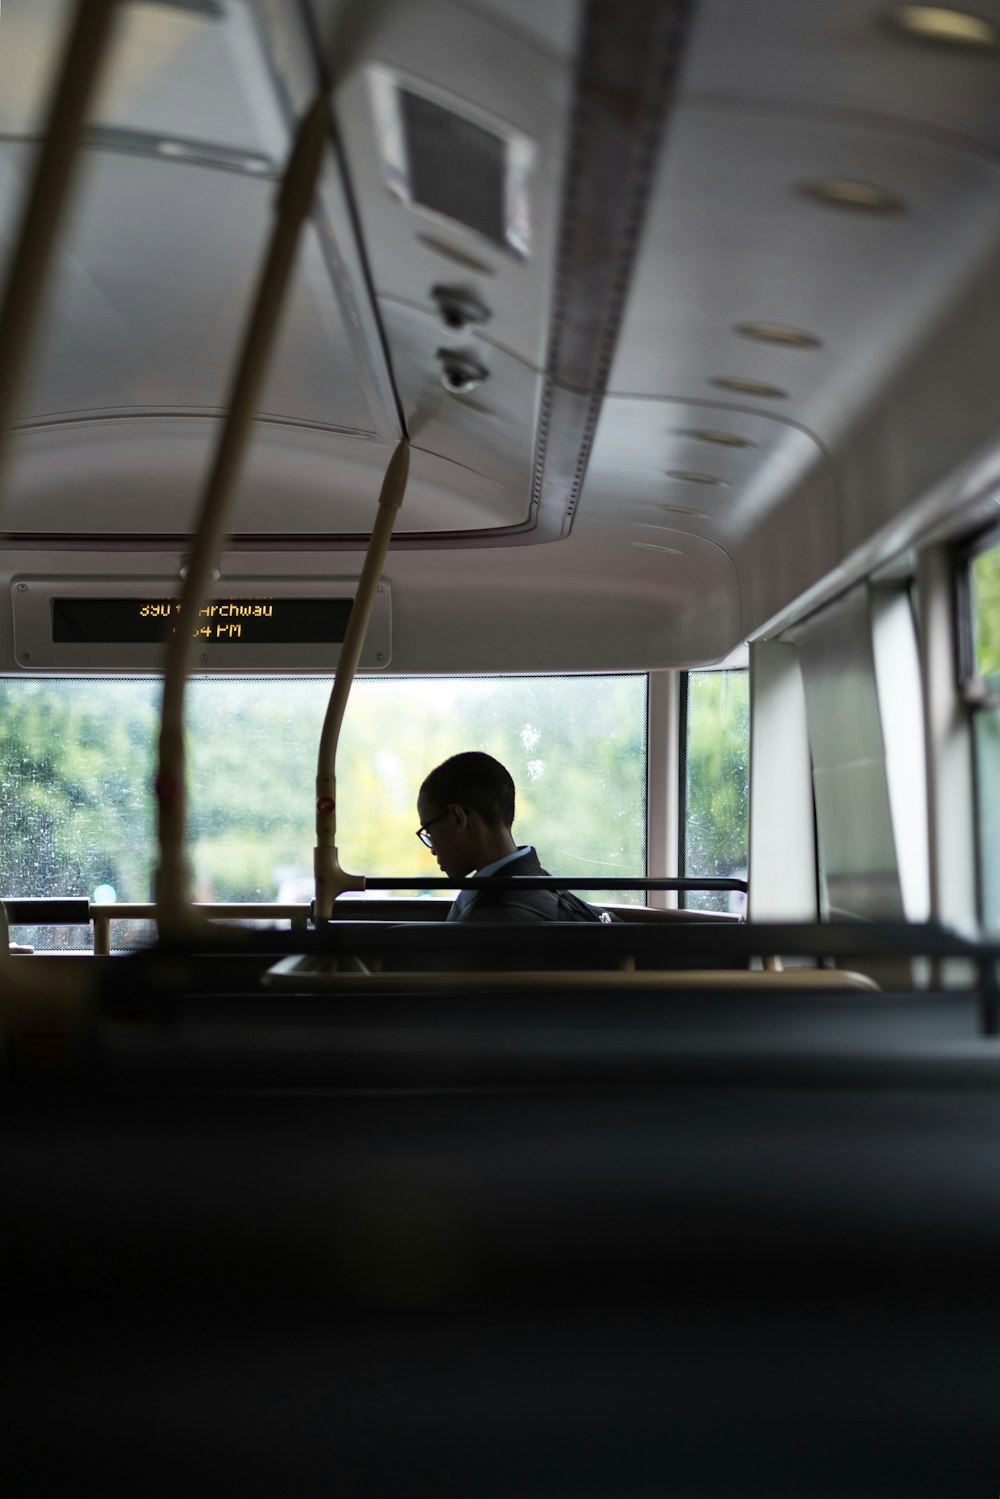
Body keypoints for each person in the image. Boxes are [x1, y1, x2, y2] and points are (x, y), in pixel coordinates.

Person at [416, 751, 613, 923]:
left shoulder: (490, 920)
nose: (432, 848)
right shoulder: (542, 884)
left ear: (459, 819)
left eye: (429, 831)